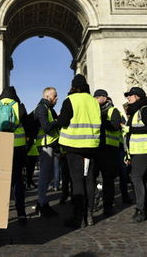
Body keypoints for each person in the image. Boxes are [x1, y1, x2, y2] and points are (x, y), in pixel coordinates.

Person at [58, 74, 101, 228]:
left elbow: (63, 121)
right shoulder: (94, 102)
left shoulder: (70, 100)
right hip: (91, 146)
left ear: (74, 87)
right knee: (89, 180)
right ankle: (89, 215)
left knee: (77, 181)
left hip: (73, 146)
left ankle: (78, 217)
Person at [0, 86, 28, 224]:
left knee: (0, 182)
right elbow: (28, 126)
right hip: (18, 147)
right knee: (18, 181)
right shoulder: (18, 106)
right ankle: (21, 213)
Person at [122, 87, 147, 223]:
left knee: (135, 178)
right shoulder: (136, 111)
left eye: (130, 95)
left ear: (138, 97)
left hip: (143, 149)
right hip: (137, 150)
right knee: (143, 179)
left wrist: (130, 129)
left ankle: (140, 210)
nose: (128, 98)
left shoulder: (145, 110)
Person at [93, 89, 127, 215]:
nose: (95, 100)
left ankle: (108, 205)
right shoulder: (93, 111)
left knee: (108, 180)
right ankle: (94, 202)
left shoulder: (114, 111)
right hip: (96, 148)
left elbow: (115, 126)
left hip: (109, 150)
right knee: (93, 179)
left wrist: (100, 121)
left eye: (97, 97)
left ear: (104, 98)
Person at [34, 87, 60, 217]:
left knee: (49, 175)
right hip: (45, 146)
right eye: (54, 96)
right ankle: (41, 204)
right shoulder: (42, 108)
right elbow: (47, 127)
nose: (56, 99)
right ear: (48, 96)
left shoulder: (48, 109)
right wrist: (57, 122)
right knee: (44, 176)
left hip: (49, 145)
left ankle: (42, 203)